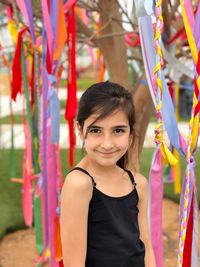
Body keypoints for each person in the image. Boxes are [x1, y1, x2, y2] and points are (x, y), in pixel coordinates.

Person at [60, 81, 156, 267]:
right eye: (96, 130)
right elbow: (74, 263)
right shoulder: (79, 184)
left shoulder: (138, 183)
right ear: (80, 130)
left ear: (130, 133)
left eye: (118, 131)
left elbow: (147, 247)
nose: (107, 143)